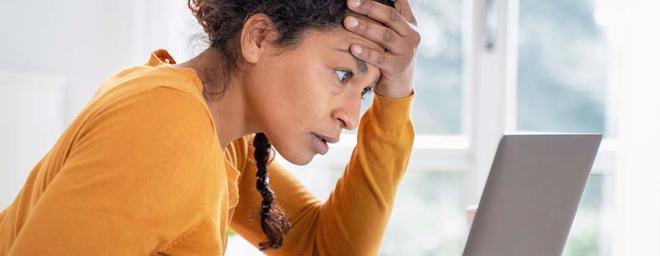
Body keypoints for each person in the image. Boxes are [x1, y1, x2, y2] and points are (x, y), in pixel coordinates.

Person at [0, 0, 420, 254]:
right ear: (258, 37)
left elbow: (322, 248)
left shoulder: (221, 138)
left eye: (365, 92)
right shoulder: (167, 124)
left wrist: (396, 93)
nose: (351, 115)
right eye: (344, 75)